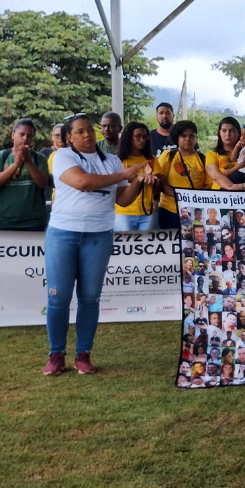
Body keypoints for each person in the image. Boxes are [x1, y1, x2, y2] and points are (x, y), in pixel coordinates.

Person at [43, 114, 153, 374]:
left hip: (99, 234)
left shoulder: (111, 161)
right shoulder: (63, 157)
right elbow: (83, 183)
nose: (88, 135)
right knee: (58, 298)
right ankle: (56, 355)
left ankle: (83, 354)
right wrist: (124, 174)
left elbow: (123, 200)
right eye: (80, 132)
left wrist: (137, 180)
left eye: (90, 130)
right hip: (64, 233)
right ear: (69, 137)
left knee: (90, 298)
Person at [0, 118, 50, 231]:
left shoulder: (39, 158)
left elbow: (43, 183)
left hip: (34, 221)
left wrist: (28, 161)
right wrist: (16, 164)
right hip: (4, 220)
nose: (25, 138)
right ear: (13, 135)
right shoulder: (0, 156)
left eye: (29, 135)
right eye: (21, 134)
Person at [155, 120, 209, 228]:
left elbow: (210, 184)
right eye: (184, 136)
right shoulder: (168, 156)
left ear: (196, 138)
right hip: (170, 211)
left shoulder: (203, 159)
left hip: (195, 213)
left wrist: (194, 198)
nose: (188, 139)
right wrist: (182, 197)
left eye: (191, 136)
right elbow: (161, 182)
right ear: (177, 138)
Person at [114, 121, 156, 231]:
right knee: (125, 247)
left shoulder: (151, 160)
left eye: (145, 137)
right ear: (129, 137)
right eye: (138, 136)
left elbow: (158, 189)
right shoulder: (118, 160)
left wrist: (154, 180)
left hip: (148, 211)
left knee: (147, 247)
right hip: (124, 212)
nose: (142, 140)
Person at [204, 117, 245, 191]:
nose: (228, 134)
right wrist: (235, 190)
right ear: (219, 133)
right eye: (224, 131)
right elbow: (216, 176)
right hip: (221, 197)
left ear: (239, 132)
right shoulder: (212, 154)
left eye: (232, 131)